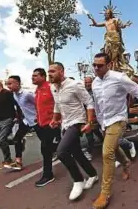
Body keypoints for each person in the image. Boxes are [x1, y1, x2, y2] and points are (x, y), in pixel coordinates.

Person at [90, 53, 138, 209]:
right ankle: (125, 163)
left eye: (100, 65)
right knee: (113, 147)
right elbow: (97, 105)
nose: (96, 68)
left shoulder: (119, 77)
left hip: (119, 120)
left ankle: (105, 193)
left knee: (106, 153)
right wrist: (97, 122)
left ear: (109, 65)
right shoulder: (94, 83)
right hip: (105, 122)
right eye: (94, 65)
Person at [48, 62, 98, 201]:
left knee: (62, 152)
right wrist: (55, 119)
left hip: (77, 122)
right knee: (76, 152)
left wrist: (89, 122)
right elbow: (58, 106)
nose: (49, 74)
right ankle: (93, 174)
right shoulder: (53, 87)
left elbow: (89, 102)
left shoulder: (74, 85)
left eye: (53, 71)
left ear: (61, 72)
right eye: (48, 72)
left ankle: (78, 180)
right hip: (65, 124)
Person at [32, 68, 61, 186]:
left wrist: (58, 119)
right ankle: (62, 148)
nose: (32, 77)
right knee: (50, 148)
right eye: (32, 76)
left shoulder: (51, 87)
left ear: (43, 77)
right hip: (40, 124)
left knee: (45, 149)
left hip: (51, 123)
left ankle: (48, 175)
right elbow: (40, 106)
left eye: (35, 76)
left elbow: (59, 103)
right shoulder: (37, 90)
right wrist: (37, 117)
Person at [0, 78, 22, 170]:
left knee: (0, 140)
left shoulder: (7, 93)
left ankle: (8, 160)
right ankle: (18, 142)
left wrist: (17, 116)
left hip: (8, 119)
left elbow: (17, 104)